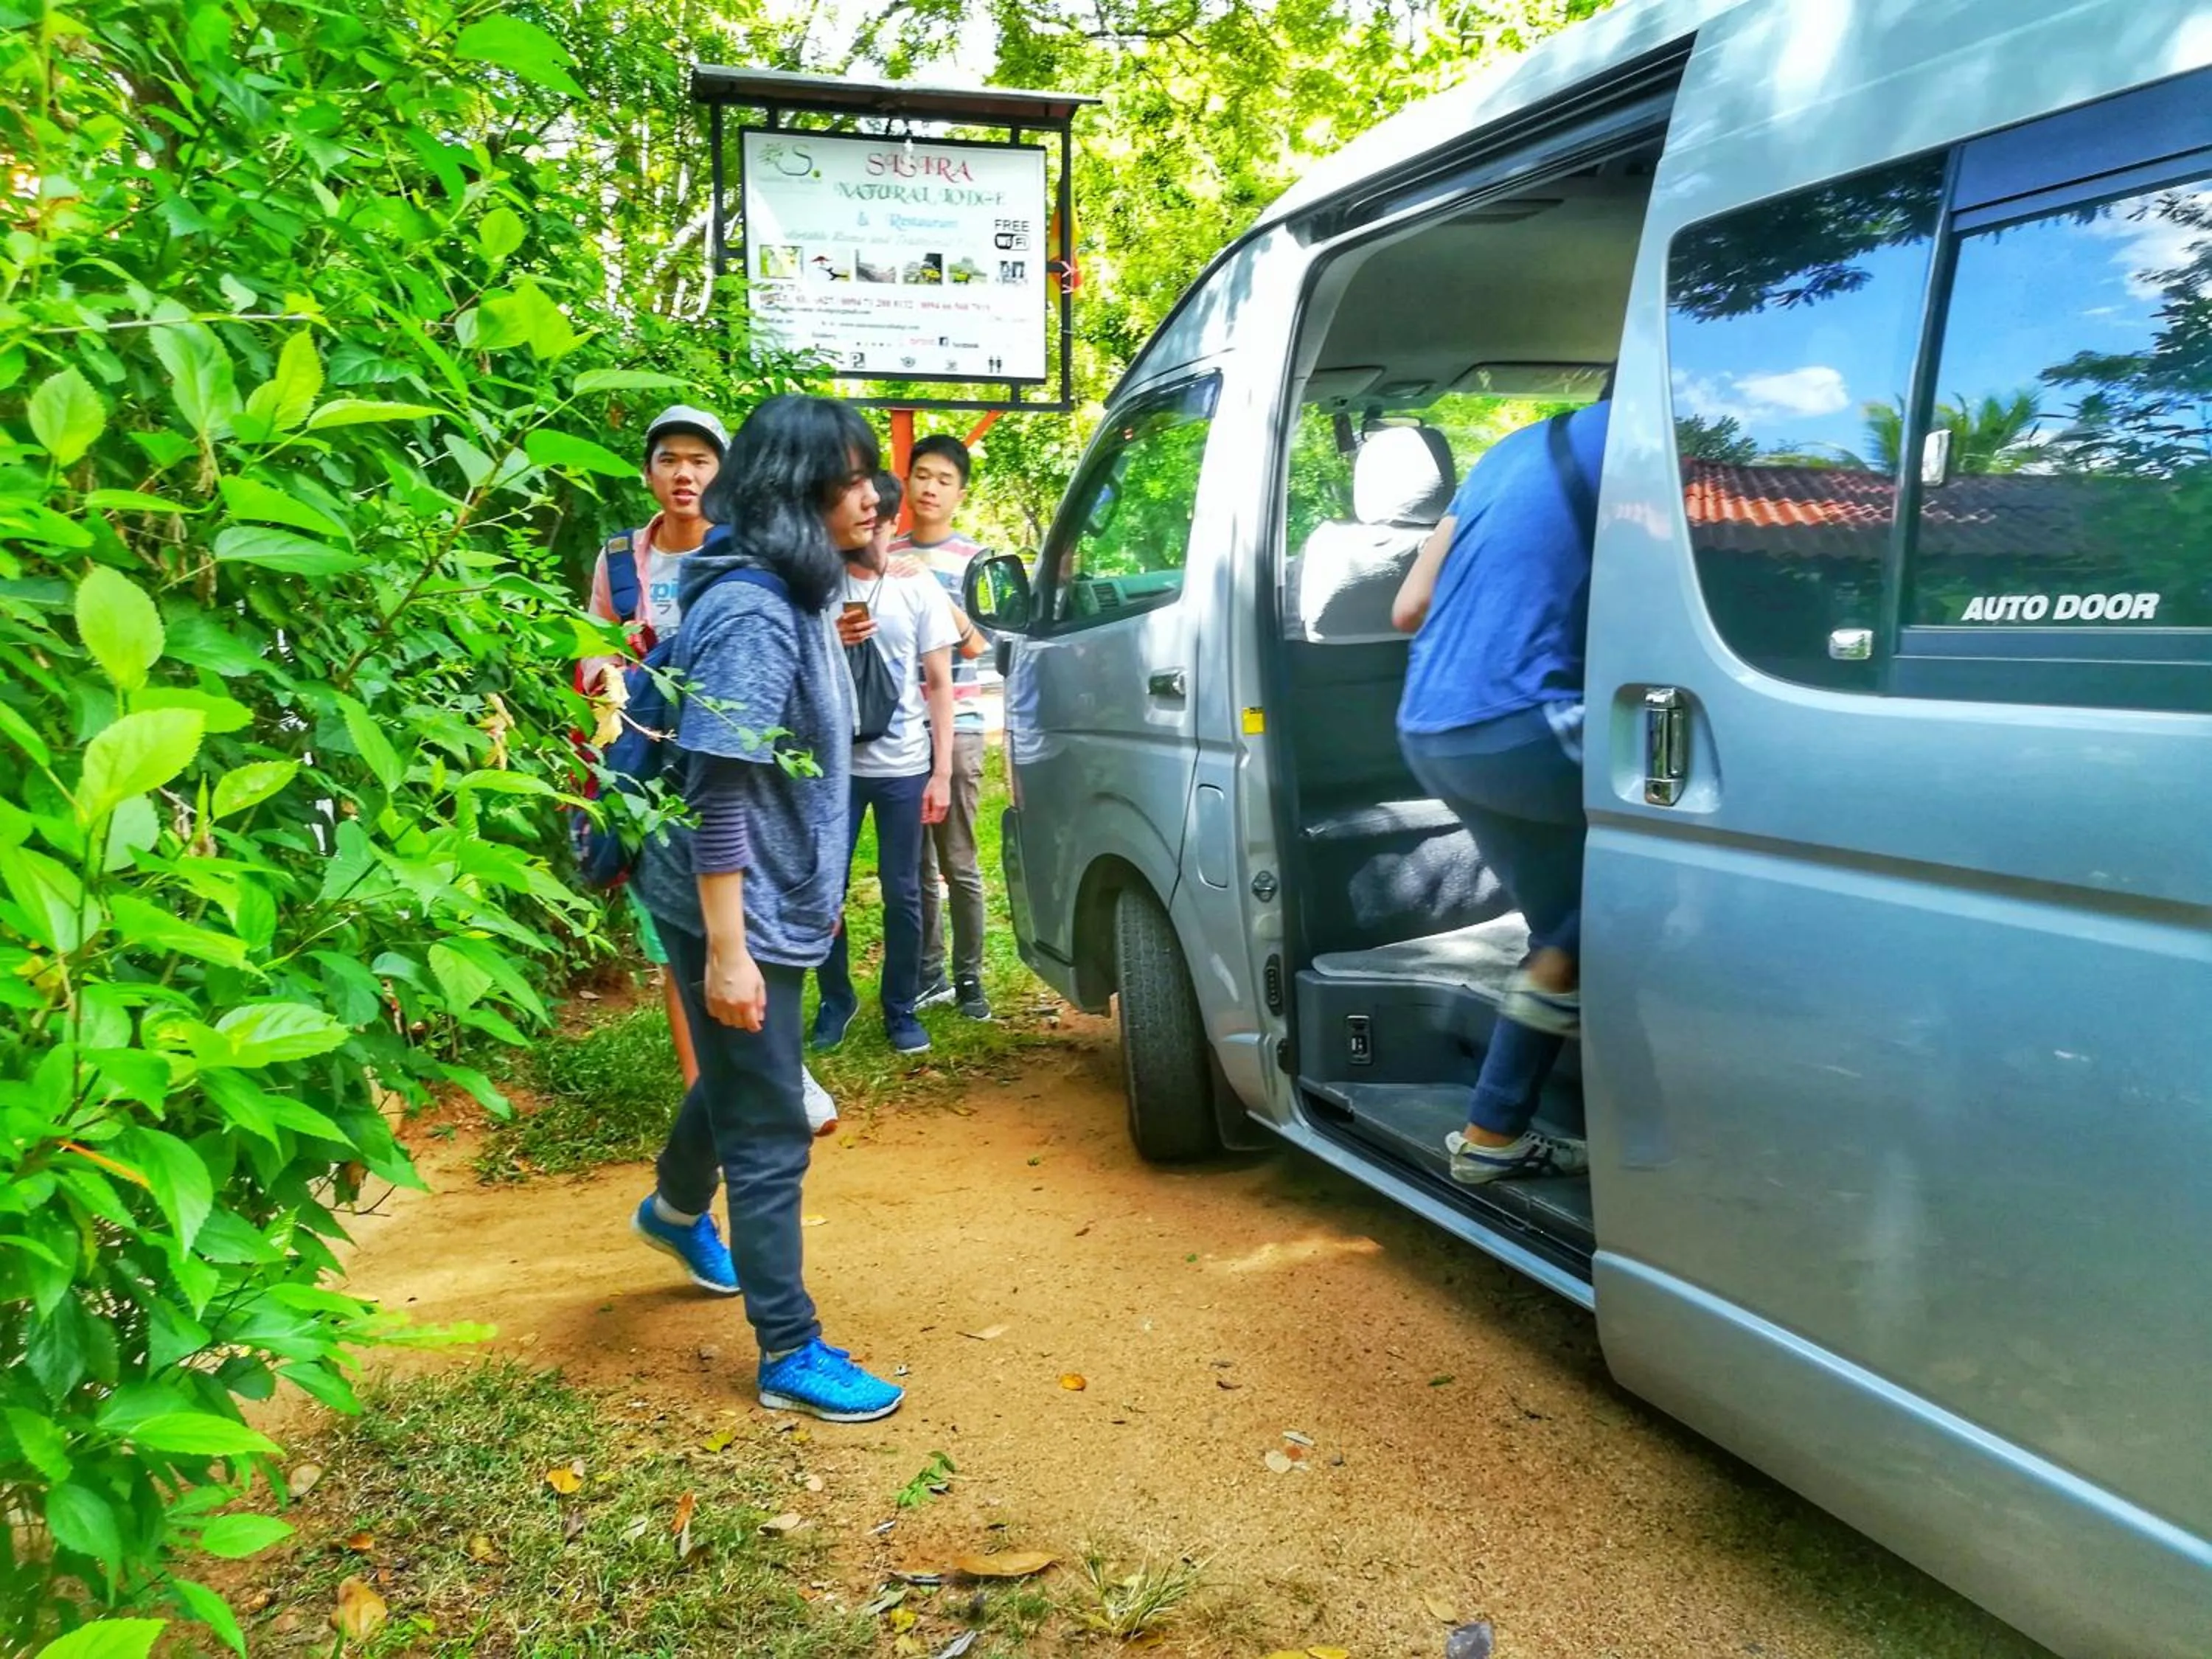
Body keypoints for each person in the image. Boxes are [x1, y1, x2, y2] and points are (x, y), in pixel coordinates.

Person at [625, 393, 903, 1422]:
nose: (872, 493)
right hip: (732, 900)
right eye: (853, 476)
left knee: (749, 1068)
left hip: (762, 892)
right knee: (771, 1118)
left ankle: (671, 1208)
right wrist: (730, 952)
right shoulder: (750, 612)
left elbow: (846, 734)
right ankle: (789, 1346)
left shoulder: (796, 593)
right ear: (798, 490)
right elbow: (720, 790)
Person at [585, 405, 838, 1143]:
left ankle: (763, 1070)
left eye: (700, 460)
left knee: (751, 908)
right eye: (669, 460)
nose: (684, 474)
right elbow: (590, 647)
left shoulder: (753, 556)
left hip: (745, 767)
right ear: (648, 472)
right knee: (682, 934)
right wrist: (609, 678)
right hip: (653, 770)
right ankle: (716, 1087)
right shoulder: (621, 559)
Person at [1391, 392, 1610, 1185]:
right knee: (1703, 827)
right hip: (1527, 723)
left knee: (1567, 930)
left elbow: (1409, 605)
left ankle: (1492, 1136)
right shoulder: (1657, 440)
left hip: (1431, 728)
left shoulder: (1508, 451)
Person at [812, 470, 959, 1056]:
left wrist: (942, 772)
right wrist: (835, 640)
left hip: (903, 765)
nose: (867, 526)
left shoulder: (915, 587)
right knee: (828, 890)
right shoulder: (818, 588)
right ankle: (835, 999)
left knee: (904, 891)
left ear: (893, 523)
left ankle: (900, 1008)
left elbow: (941, 683)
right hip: (836, 768)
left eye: (878, 517)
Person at [894, 434, 995, 1022]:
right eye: (922, 475)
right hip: (902, 728)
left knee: (957, 859)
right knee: (914, 865)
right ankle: (928, 974)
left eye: (944, 480)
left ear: (960, 492)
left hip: (958, 725)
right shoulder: (885, 550)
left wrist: (931, 590)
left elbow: (982, 644)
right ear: (906, 481)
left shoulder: (975, 560)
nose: (930, 488)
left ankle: (970, 978)